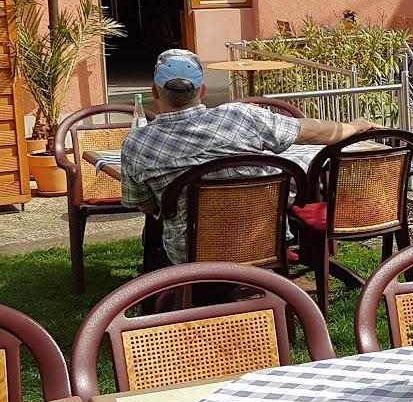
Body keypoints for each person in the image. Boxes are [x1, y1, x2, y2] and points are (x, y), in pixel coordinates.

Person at [120, 49, 375, 266]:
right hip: (262, 238)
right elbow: (313, 132)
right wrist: (353, 127)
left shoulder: (137, 143)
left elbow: (144, 204)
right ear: (203, 90)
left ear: (154, 91)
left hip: (190, 255)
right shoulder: (240, 117)